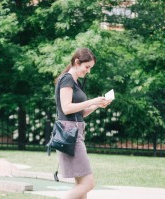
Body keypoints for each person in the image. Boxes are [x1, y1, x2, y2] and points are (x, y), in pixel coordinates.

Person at [55, 48, 112, 199]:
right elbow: (66, 108)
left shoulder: (75, 82)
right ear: (76, 62)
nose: (88, 71)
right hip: (69, 133)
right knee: (88, 183)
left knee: (82, 186)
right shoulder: (67, 79)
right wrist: (92, 100)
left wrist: (96, 105)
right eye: (87, 67)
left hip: (75, 130)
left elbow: (79, 114)